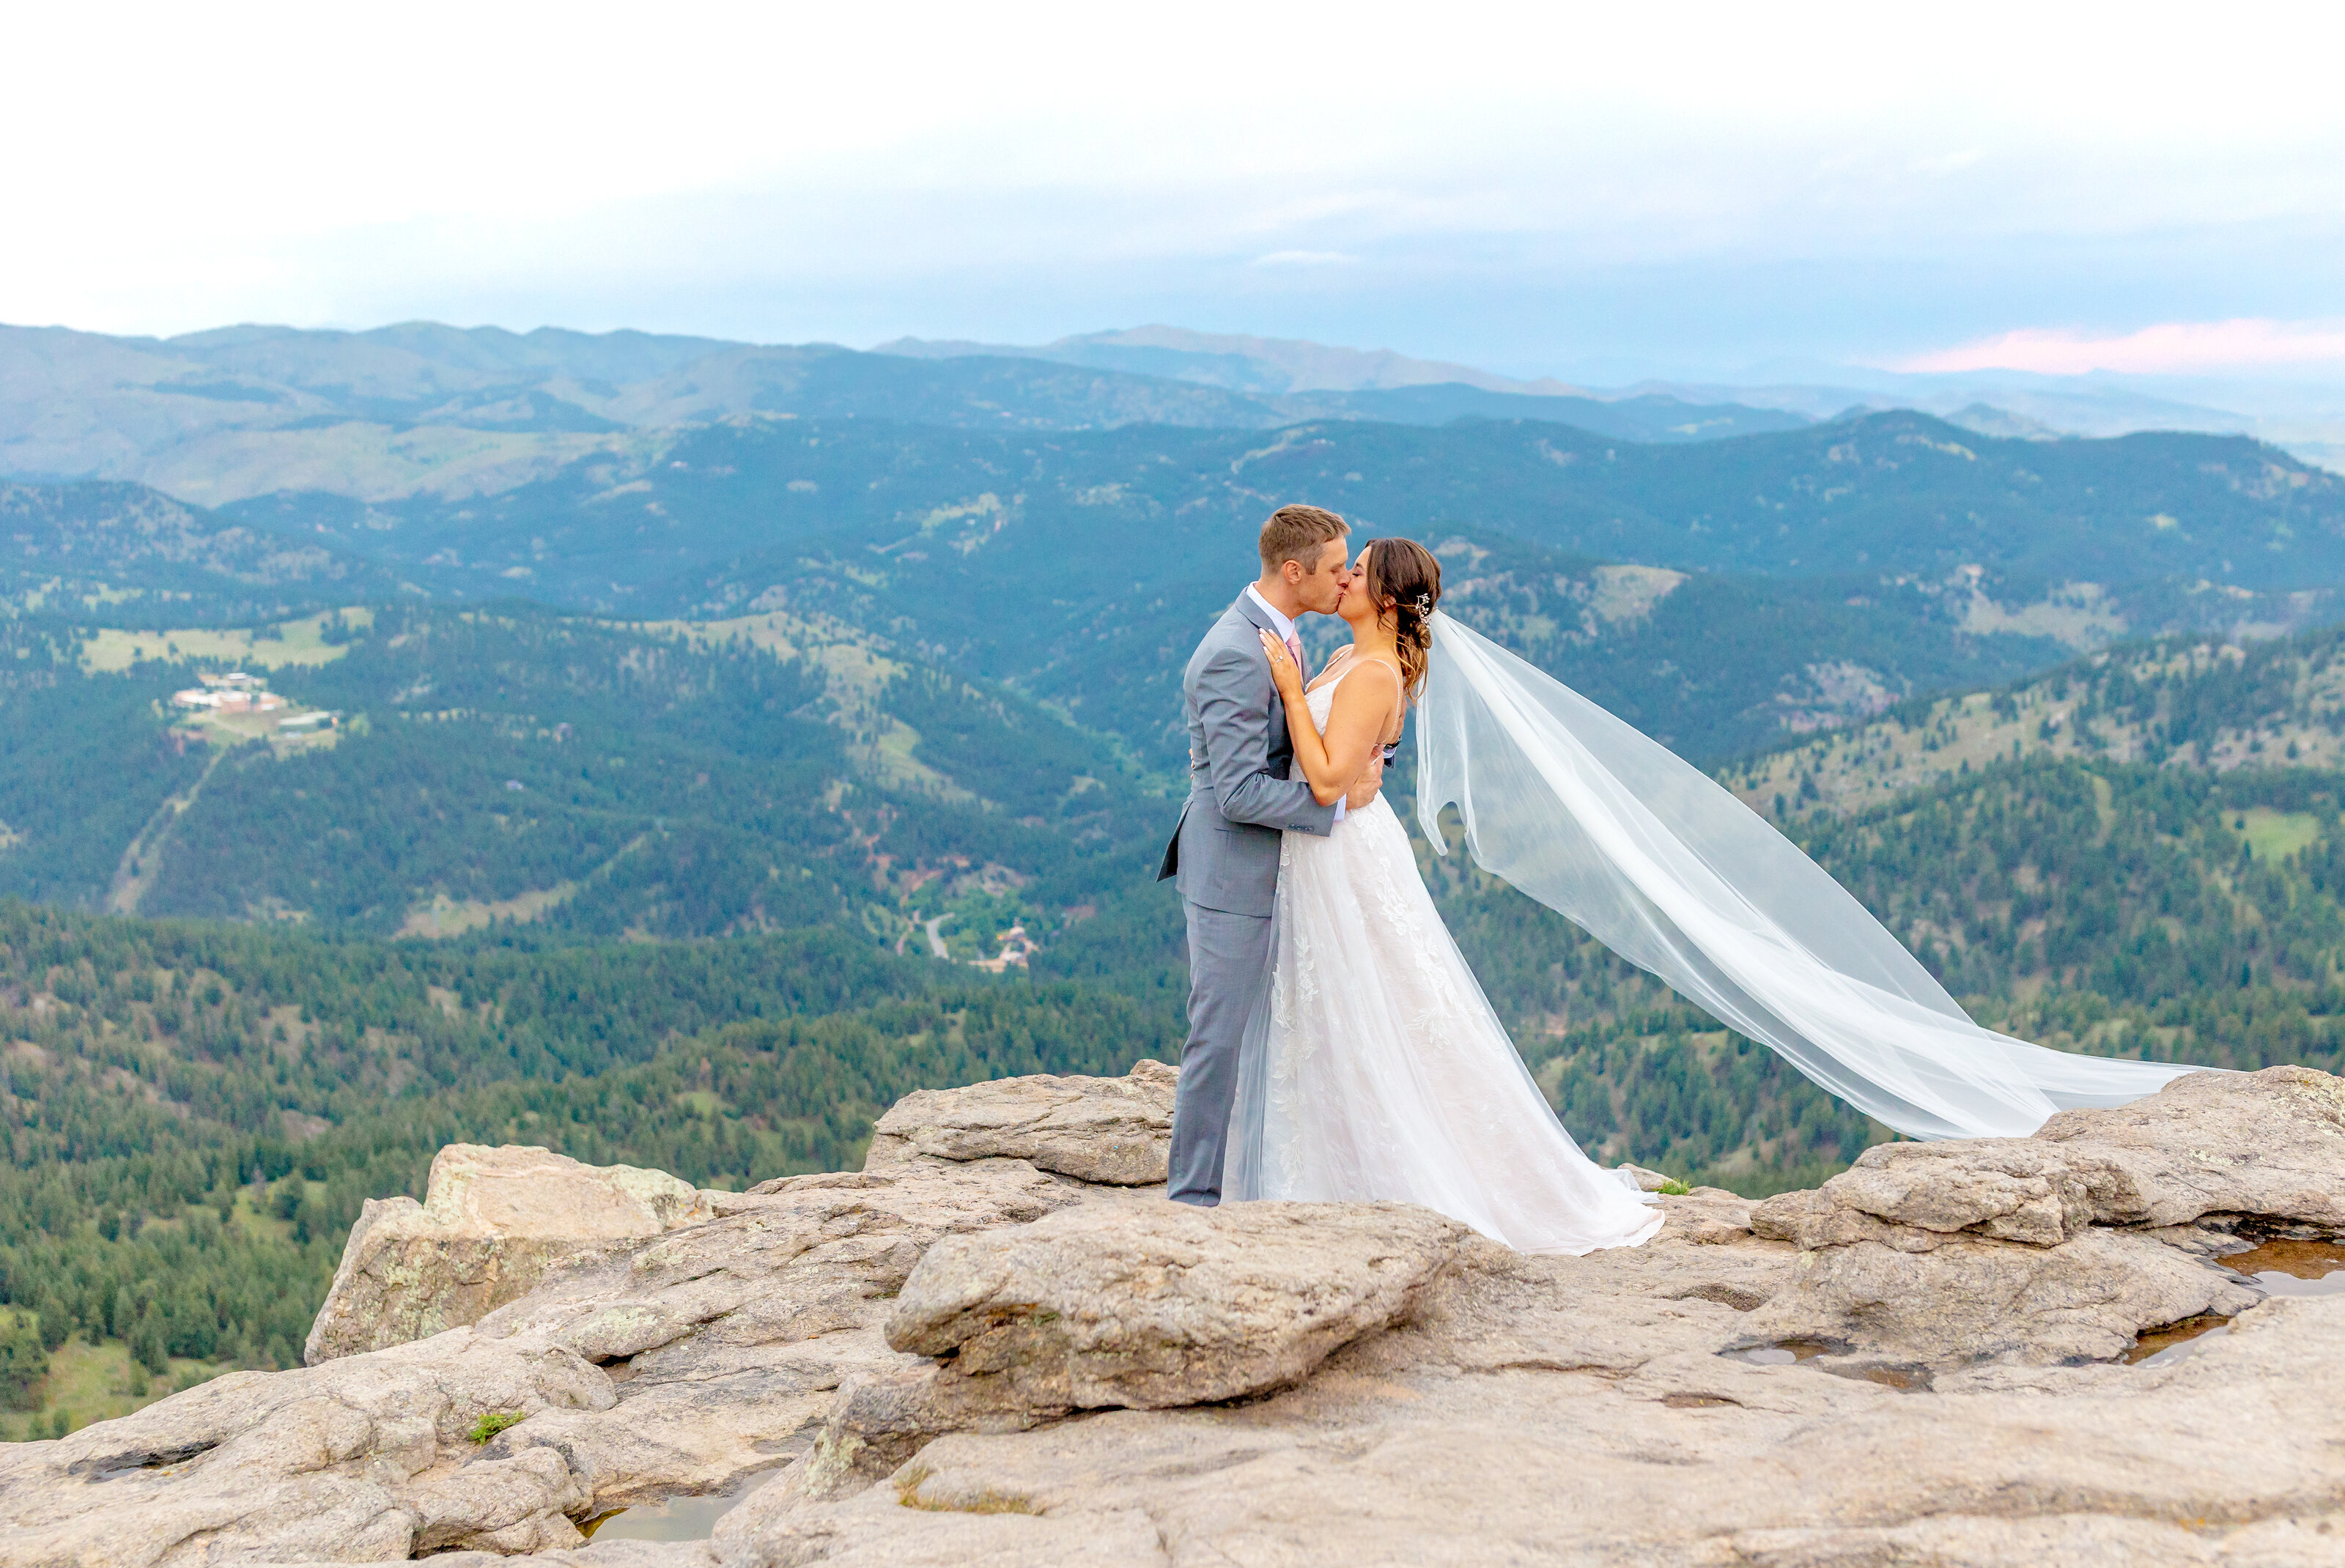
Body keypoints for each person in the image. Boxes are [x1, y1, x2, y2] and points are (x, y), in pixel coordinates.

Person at [1230, 536, 1663, 1252]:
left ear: (1388, 600)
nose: (1343, 578)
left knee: (1371, 1000)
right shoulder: (1347, 660)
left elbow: (1331, 781)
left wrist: (1283, 689)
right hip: (1321, 848)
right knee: (1329, 1002)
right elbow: (1354, 773)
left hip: (1341, 854)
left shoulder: (1372, 673)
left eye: (1359, 573)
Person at [1156, 504, 1383, 1206]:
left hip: (1273, 865)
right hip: (1231, 868)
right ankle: (1192, 1197)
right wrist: (1339, 804)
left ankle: (1258, 1176)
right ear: (1295, 572)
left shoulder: (1281, 636)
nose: (1345, 578)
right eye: (1336, 567)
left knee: (1270, 1032)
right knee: (1218, 1036)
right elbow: (1239, 794)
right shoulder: (1235, 650)